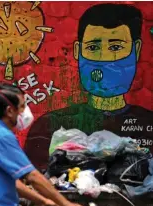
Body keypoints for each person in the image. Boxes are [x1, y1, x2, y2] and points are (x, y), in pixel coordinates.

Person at [24, 3, 152, 170]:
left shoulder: (148, 123)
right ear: (78, 51)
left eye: (116, 47)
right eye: (93, 47)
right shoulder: (49, 126)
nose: (105, 59)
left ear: (136, 50)